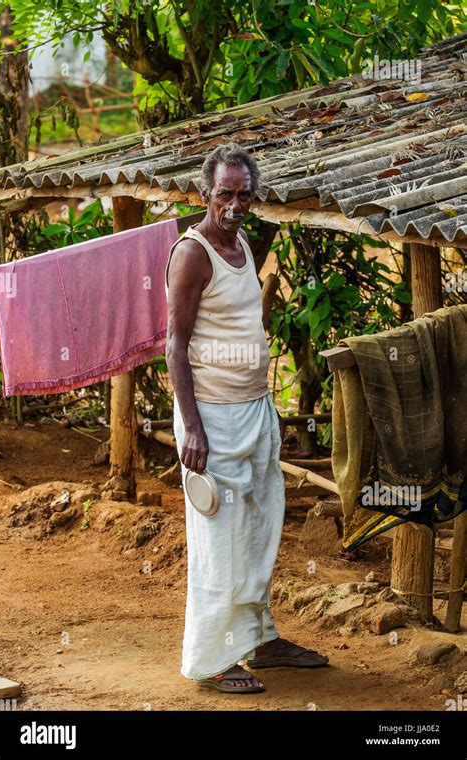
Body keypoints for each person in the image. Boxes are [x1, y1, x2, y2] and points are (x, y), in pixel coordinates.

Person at [165, 142, 329, 694]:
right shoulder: (193, 254)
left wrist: (265, 408)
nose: (235, 204)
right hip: (212, 416)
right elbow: (173, 345)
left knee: (258, 532)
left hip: (253, 410)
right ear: (204, 194)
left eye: (243, 195)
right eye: (224, 194)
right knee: (220, 539)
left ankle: (258, 640)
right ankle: (210, 660)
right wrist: (191, 427)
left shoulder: (242, 245)